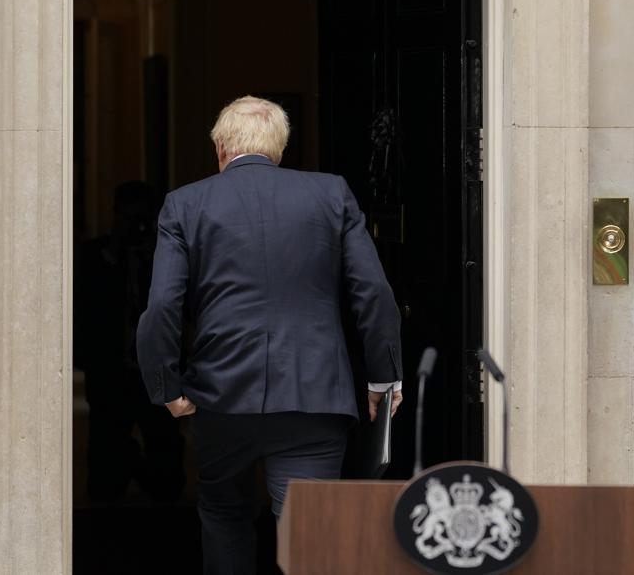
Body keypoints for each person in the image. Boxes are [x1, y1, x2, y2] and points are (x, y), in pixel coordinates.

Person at [136, 95, 403, 575]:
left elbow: (161, 307)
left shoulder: (184, 204)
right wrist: (383, 380)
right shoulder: (331, 193)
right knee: (311, 539)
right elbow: (374, 293)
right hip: (314, 395)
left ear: (220, 147)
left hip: (219, 398)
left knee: (225, 521)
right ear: (279, 149)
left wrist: (167, 388)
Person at [75, 181, 185, 503]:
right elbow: (87, 304)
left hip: (156, 372)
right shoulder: (97, 256)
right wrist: (116, 250)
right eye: (130, 219)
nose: (138, 227)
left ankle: (139, 470)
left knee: (166, 468)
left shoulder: (166, 257)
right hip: (111, 371)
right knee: (106, 471)